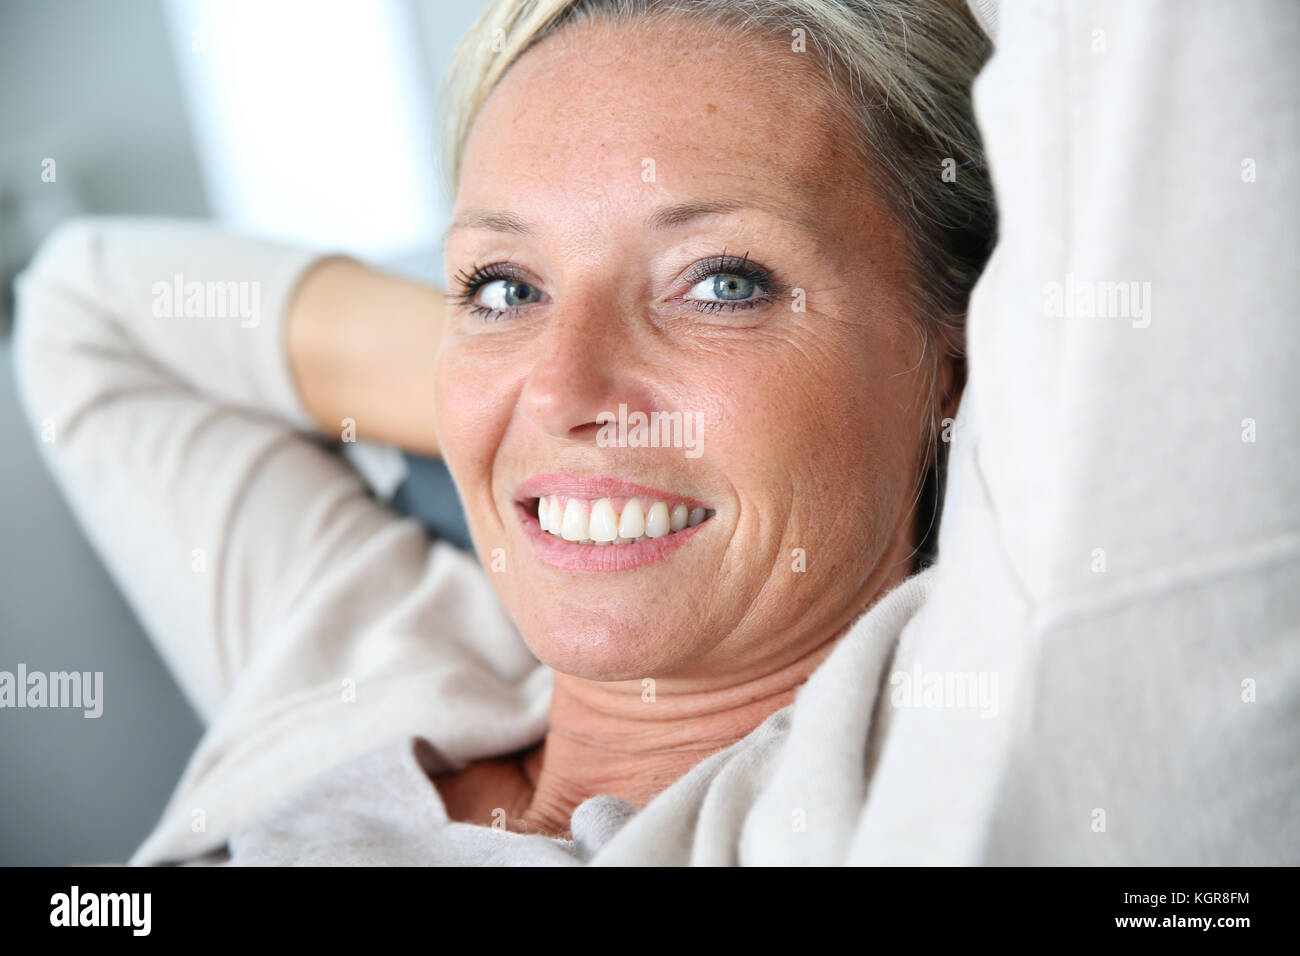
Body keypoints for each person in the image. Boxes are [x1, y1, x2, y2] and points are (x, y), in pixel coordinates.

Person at [12, 0, 1297, 865]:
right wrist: (524, 417)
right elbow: (87, 313)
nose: (572, 378)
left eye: (724, 279)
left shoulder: (967, 751)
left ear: (964, 360)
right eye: (500, 285)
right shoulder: (369, 652)